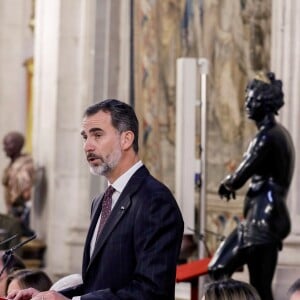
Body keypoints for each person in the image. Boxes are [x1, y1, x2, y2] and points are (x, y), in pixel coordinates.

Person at [8, 99, 184, 300]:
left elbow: (152, 292)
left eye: (97, 135)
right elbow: (97, 285)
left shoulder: (154, 200)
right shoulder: (101, 201)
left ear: (126, 139)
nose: (87, 146)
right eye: (85, 137)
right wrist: (50, 296)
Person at [208, 72, 295, 300]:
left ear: (265, 103)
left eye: (253, 99)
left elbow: (239, 175)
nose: (247, 103)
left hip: (262, 219)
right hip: (269, 217)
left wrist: (226, 184)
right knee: (259, 285)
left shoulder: (266, 137)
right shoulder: (280, 134)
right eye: (247, 98)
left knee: (221, 269)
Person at [2, 131, 35, 236]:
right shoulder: (12, 165)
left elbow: (26, 194)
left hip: (19, 215)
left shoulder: (24, 167)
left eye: (7, 144)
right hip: (12, 212)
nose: (4, 148)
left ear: (17, 146)